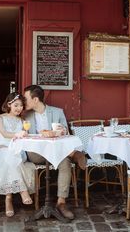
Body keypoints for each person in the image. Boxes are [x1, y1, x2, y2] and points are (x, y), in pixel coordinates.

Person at [23, 85, 86, 220]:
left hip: (56, 151)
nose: (24, 102)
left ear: (35, 99)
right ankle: (74, 154)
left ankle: (61, 203)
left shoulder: (57, 112)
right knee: (66, 155)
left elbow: (66, 133)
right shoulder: (26, 116)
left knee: (65, 164)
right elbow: (25, 138)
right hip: (36, 153)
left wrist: (58, 132)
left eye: (26, 98)